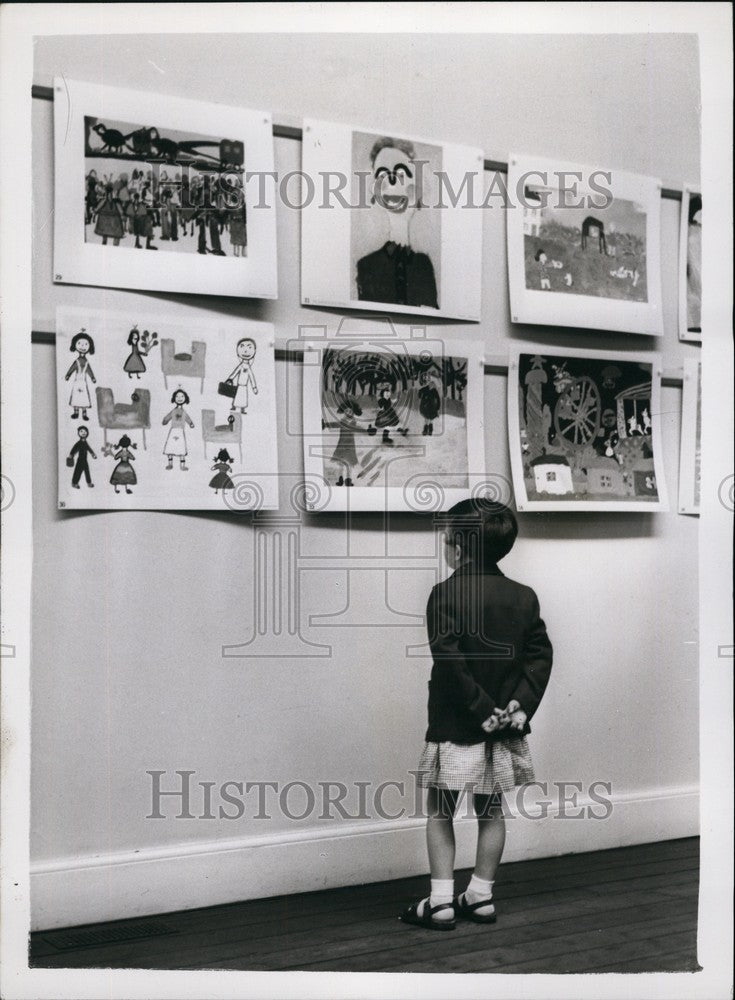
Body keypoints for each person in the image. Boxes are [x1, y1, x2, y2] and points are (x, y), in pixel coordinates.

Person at [400, 499, 552, 931]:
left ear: (459, 548)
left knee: (440, 810)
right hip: (503, 728)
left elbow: (450, 663)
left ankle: (441, 902)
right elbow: (540, 657)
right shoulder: (524, 596)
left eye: (448, 538)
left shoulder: (444, 594)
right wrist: (516, 707)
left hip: (456, 725)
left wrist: (482, 710)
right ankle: (481, 896)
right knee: (492, 810)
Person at [356, 136, 438, 308]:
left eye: (401, 174)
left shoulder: (423, 265)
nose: (392, 182)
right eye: (382, 175)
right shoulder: (367, 266)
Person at [162, 388, 195, 471]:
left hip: (180, 431)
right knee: (170, 447)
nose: (179, 398)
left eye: (182, 396)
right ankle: (170, 464)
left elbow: (187, 418)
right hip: (173, 430)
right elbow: (167, 417)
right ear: (174, 398)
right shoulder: (173, 411)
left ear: (185, 398)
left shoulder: (184, 412)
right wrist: (165, 421)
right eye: (177, 396)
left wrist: (191, 423)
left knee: (181, 448)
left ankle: (182, 466)